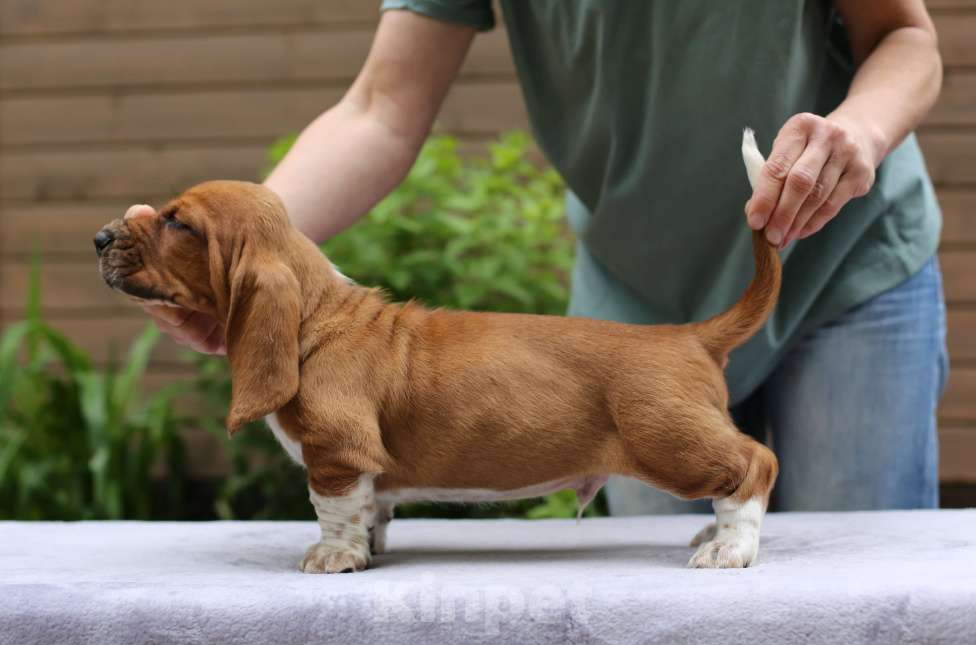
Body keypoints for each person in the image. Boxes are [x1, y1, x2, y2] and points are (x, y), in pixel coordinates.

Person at [143, 1, 947, 513]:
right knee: (662, 611)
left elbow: (905, 36)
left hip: (845, 265)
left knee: (861, 588)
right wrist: (239, 255)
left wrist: (862, 131)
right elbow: (382, 107)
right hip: (630, 307)